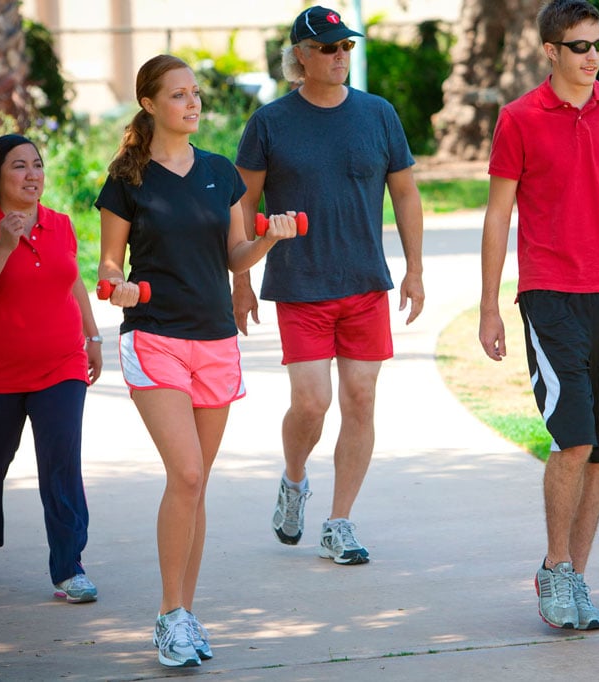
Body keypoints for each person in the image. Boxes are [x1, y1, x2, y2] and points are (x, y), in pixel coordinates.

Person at [96, 54, 296, 668]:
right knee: (185, 474)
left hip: (214, 340)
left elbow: (236, 256)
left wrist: (269, 238)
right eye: (178, 94)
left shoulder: (219, 174)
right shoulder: (127, 179)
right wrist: (116, 287)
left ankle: (185, 611)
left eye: (196, 93)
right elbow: (108, 264)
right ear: (150, 104)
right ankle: (168, 615)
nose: (192, 103)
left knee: (196, 484)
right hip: (154, 337)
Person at [479, 0, 599, 631]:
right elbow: (498, 217)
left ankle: (576, 579)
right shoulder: (519, 119)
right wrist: (489, 307)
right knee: (574, 438)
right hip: (549, 292)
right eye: (580, 46)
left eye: (598, 44)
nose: (593, 56)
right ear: (551, 52)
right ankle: (555, 569)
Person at [233, 6, 425, 567]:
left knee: (361, 399)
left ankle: (339, 521)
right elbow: (242, 203)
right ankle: (294, 480)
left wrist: (414, 269)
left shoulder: (378, 114)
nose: (339, 56)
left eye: (345, 47)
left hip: (365, 282)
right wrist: (241, 279)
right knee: (312, 403)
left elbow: (406, 194)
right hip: (300, 284)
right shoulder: (269, 122)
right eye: (327, 48)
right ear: (300, 57)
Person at [0, 133, 102, 604]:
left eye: (37, 164)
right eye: (19, 166)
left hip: (61, 365)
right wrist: (4, 247)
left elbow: (72, 280)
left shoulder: (60, 224)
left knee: (61, 464)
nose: (32, 174)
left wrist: (92, 336)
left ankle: (68, 568)